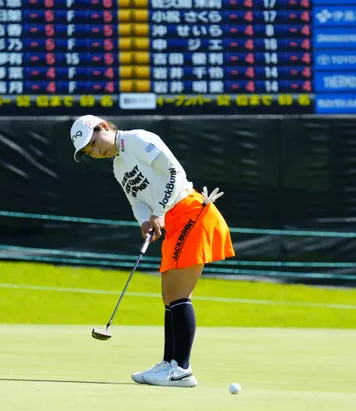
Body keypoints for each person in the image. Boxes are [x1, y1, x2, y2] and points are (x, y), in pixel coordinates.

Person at [70, 114, 236, 388]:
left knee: (179, 294)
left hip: (191, 212)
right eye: (89, 151)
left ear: (104, 127)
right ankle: (169, 363)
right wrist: (144, 221)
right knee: (169, 296)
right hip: (172, 220)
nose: (95, 151)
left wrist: (158, 212)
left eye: (93, 142)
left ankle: (182, 369)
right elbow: (136, 201)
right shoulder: (118, 167)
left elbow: (175, 172)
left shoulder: (138, 140)